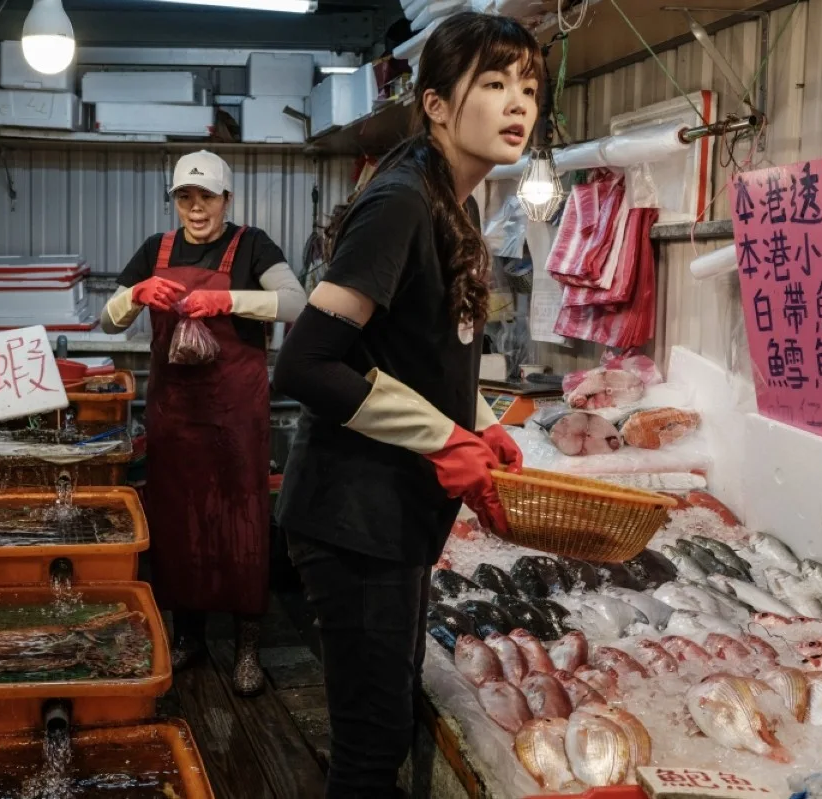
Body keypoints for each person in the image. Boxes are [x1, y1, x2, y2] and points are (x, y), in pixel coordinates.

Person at [272, 13, 542, 796]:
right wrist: (442, 440)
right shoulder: (399, 202)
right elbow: (308, 362)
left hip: (393, 516)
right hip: (353, 519)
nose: (515, 102)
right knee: (371, 742)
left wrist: (484, 424)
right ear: (435, 104)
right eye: (491, 83)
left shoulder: (449, 203)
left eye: (527, 85)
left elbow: (414, 354)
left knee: (383, 721)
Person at [101, 150, 307, 696]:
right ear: (175, 201)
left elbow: (295, 302)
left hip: (235, 416)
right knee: (179, 523)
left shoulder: (253, 245)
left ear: (226, 199)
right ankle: (188, 635)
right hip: (176, 416)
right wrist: (136, 293)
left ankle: (246, 647)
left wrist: (227, 300)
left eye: (207, 197)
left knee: (241, 523)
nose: (196, 208)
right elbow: (106, 317)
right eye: (185, 198)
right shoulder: (155, 250)